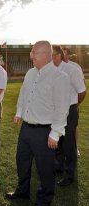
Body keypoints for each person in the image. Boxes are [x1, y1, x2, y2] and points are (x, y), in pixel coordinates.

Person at [5, 41, 70, 206]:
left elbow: (62, 108)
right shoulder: (30, 73)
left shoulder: (59, 77)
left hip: (45, 131)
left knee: (45, 168)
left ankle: (44, 199)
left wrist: (55, 133)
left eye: (34, 52)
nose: (31, 55)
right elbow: (24, 94)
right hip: (26, 128)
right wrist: (19, 112)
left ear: (46, 54)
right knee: (22, 161)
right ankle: (23, 190)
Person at [52, 45, 86, 186]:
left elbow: (82, 91)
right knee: (59, 141)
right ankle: (59, 166)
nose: (50, 57)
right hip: (56, 111)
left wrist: (73, 105)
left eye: (52, 54)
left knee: (69, 144)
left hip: (69, 111)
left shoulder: (72, 70)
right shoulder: (51, 70)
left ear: (59, 55)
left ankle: (69, 174)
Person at [63, 47, 84, 157]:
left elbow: (81, 87)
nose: (63, 57)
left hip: (72, 104)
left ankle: (75, 148)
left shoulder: (75, 67)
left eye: (65, 54)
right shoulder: (55, 66)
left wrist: (77, 103)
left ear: (68, 55)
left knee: (73, 127)